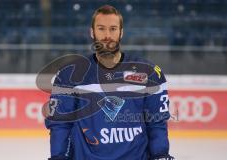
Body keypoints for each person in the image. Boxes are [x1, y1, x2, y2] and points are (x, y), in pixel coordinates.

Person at [44, 5, 174, 160]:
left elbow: (156, 123)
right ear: (92, 32)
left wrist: (160, 155)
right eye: (101, 29)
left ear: (121, 32)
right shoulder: (69, 74)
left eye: (113, 29)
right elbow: (60, 124)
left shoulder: (149, 73)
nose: (107, 35)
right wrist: (59, 156)